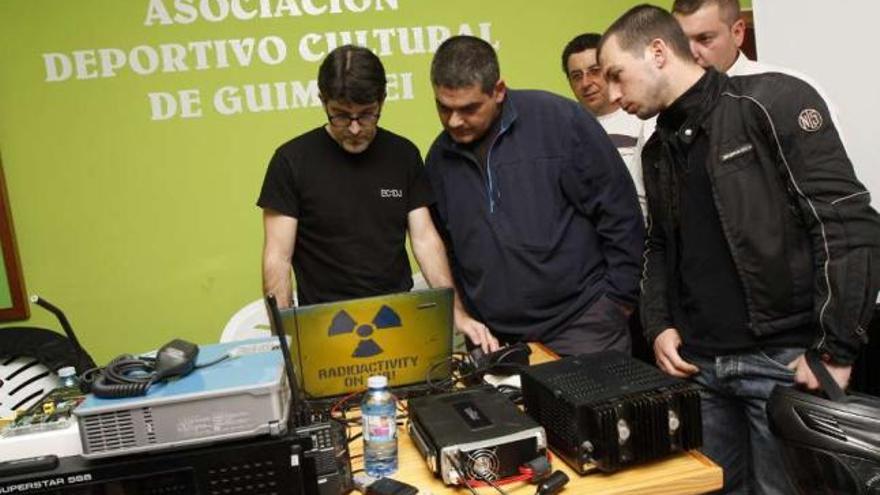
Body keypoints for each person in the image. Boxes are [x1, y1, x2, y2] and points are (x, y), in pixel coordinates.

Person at [598, 5, 880, 493]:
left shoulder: (772, 101)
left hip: (784, 362)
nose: (613, 94)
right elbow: (660, 244)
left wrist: (836, 348)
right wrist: (658, 323)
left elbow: (845, 222)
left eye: (617, 76)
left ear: (658, 52)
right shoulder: (656, 147)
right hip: (700, 367)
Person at [257, 45, 497, 352]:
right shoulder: (291, 161)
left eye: (367, 115)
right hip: (327, 327)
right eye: (341, 116)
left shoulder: (403, 155)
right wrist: (284, 337)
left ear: (382, 100)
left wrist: (457, 313)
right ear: (322, 102)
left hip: (396, 320)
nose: (355, 128)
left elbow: (425, 240)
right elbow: (278, 257)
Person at [425, 35, 644, 357]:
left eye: (469, 108)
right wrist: (468, 316)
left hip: (583, 326)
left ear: (498, 91)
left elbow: (619, 212)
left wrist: (617, 302)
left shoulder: (560, 121)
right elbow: (447, 246)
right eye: (444, 108)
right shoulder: (439, 158)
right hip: (496, 339)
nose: (455, 121)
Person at [562, 32, 650, 218]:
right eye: (577, 76)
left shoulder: (643, 118)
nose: (586, 83)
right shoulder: (563, 130)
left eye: (594, 71)